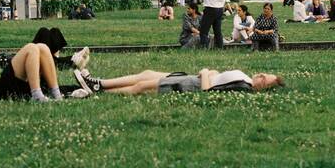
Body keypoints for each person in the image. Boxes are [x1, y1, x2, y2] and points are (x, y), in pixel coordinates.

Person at [73, 67, 283, 96]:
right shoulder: (245, 78)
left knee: (141, 87)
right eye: (265, 75)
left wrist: (205, 72)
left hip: (190, 84)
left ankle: (97, 91)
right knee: (145, 74)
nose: (262, 77)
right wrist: (213, 71)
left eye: (266, 81)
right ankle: (99, 83)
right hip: (192, 78)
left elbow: (208, 91)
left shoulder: (243, 87)